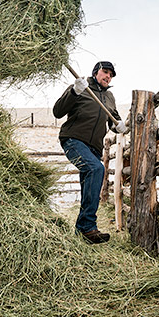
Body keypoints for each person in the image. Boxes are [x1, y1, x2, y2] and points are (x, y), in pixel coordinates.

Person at [53, 61, 127, 244]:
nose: (108, 76)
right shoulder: (80, 87)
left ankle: (81, 230)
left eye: (111, 74)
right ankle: (88, 227)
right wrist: (74, 92)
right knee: (96, 169)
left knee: (90, 179)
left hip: (94, 147)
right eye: (105, 72)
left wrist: (120, 126)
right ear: (95, 72)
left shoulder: (109, 96)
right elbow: (58, 111)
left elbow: (113, 120)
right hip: (73, 140)